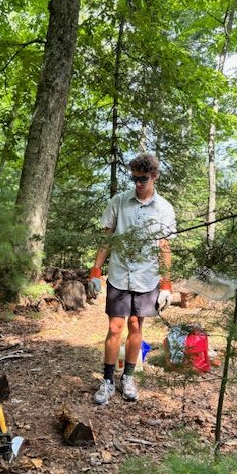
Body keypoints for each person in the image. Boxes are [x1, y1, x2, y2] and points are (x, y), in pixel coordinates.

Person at [89, 154, 176, 405]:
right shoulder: (118, 202)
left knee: (137, 326)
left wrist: (166, 285)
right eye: (135, 178)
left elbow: (164, 247)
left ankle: (128, 377)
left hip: (147, 277)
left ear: (155, 177)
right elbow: (107, 240)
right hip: (119, 274)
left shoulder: (164, 209)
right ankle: (107, 380)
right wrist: (96, 271)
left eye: (144, 179)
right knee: (115, 328)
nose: (138, 183)